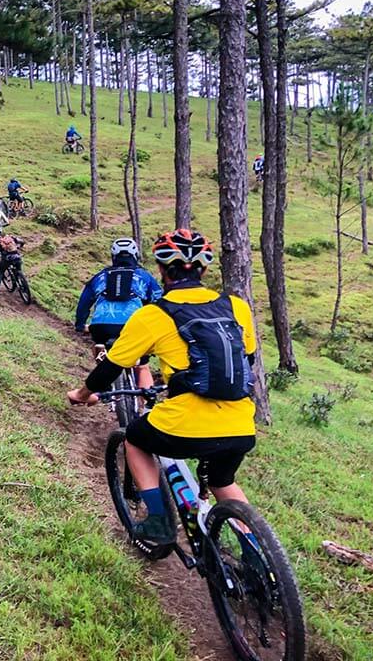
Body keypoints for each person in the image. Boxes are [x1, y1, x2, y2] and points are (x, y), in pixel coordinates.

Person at [67, 228, 258, 545]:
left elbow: (110, 368)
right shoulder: (237, 306)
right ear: (204, 269)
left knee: (134, 438)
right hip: (240, 424)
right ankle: (261, 554)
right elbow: (244, 361)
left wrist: (82, 394)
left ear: (160, 269)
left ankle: (158, 522)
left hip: (185, 425)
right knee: (223, 479)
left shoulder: (153, 316)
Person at [74, 238, 162, 388]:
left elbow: (84, 302)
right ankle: (148, 405)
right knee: (143, 365)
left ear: (113, 256)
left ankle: (104, 384)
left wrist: (80, 325)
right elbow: (159, 300)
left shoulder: (100, 276)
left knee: (99, 344)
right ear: (135, 255)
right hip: (135, 325)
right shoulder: (144, 276)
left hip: (102, 325)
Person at [0, 225, 25, 292]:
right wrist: (19, 247)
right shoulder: (10, 237)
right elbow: (22, 242)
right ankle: (22, 282)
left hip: (6, 259)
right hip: (16, 256)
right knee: (19, 270)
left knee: (0, 271)